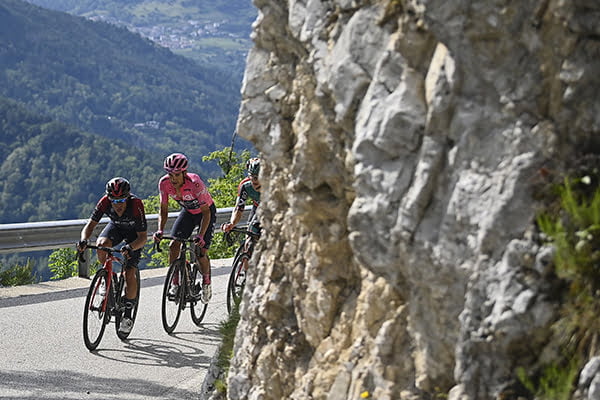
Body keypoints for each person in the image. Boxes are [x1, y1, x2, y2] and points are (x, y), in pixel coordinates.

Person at [76, 177, 148, 334]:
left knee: (129, 272)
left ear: (128, 197)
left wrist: (130, 247)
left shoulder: (136, 205)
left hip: (134, 236)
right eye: (114, 200)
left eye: (122, 200)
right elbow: (89, 226)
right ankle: (108, 276)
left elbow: (143, 237)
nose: (118, 204)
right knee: (101, 245)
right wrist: (83, 240)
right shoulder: (104, 202)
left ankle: (128, 315)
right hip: (116, 227)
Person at [153, 153, 216, 303]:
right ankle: (175, 282)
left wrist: (201, 235)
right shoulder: (164, 183)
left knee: (200, 252)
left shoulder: (195, 183)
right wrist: (160, 229)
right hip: (188, 212)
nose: (172, 178)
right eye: (170, 174)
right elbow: (163, 209)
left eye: (176, 174)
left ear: (184, 173)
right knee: (174, 245)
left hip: (205, 213)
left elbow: (206, 213)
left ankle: (207, 283)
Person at [221, 157, 262, 235]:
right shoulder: (245, 186)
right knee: (251, 232)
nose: (255, 183)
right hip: (258, 207)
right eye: (253, 179)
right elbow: (239, 208)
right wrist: (232, 223)